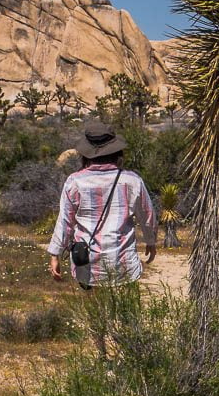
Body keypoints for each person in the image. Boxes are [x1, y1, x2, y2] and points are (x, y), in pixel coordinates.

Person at [48, 123, 158, 351]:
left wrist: (55, 253)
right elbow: (147, 215)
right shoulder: (131, 180)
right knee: (126, 308)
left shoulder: (75, 181)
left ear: (85, 153)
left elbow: (65, 221)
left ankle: (101, 352)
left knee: (94, 308)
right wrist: (151, 240)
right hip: (123, 258)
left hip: (87, 259)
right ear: (117, 152)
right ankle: (128, 350)